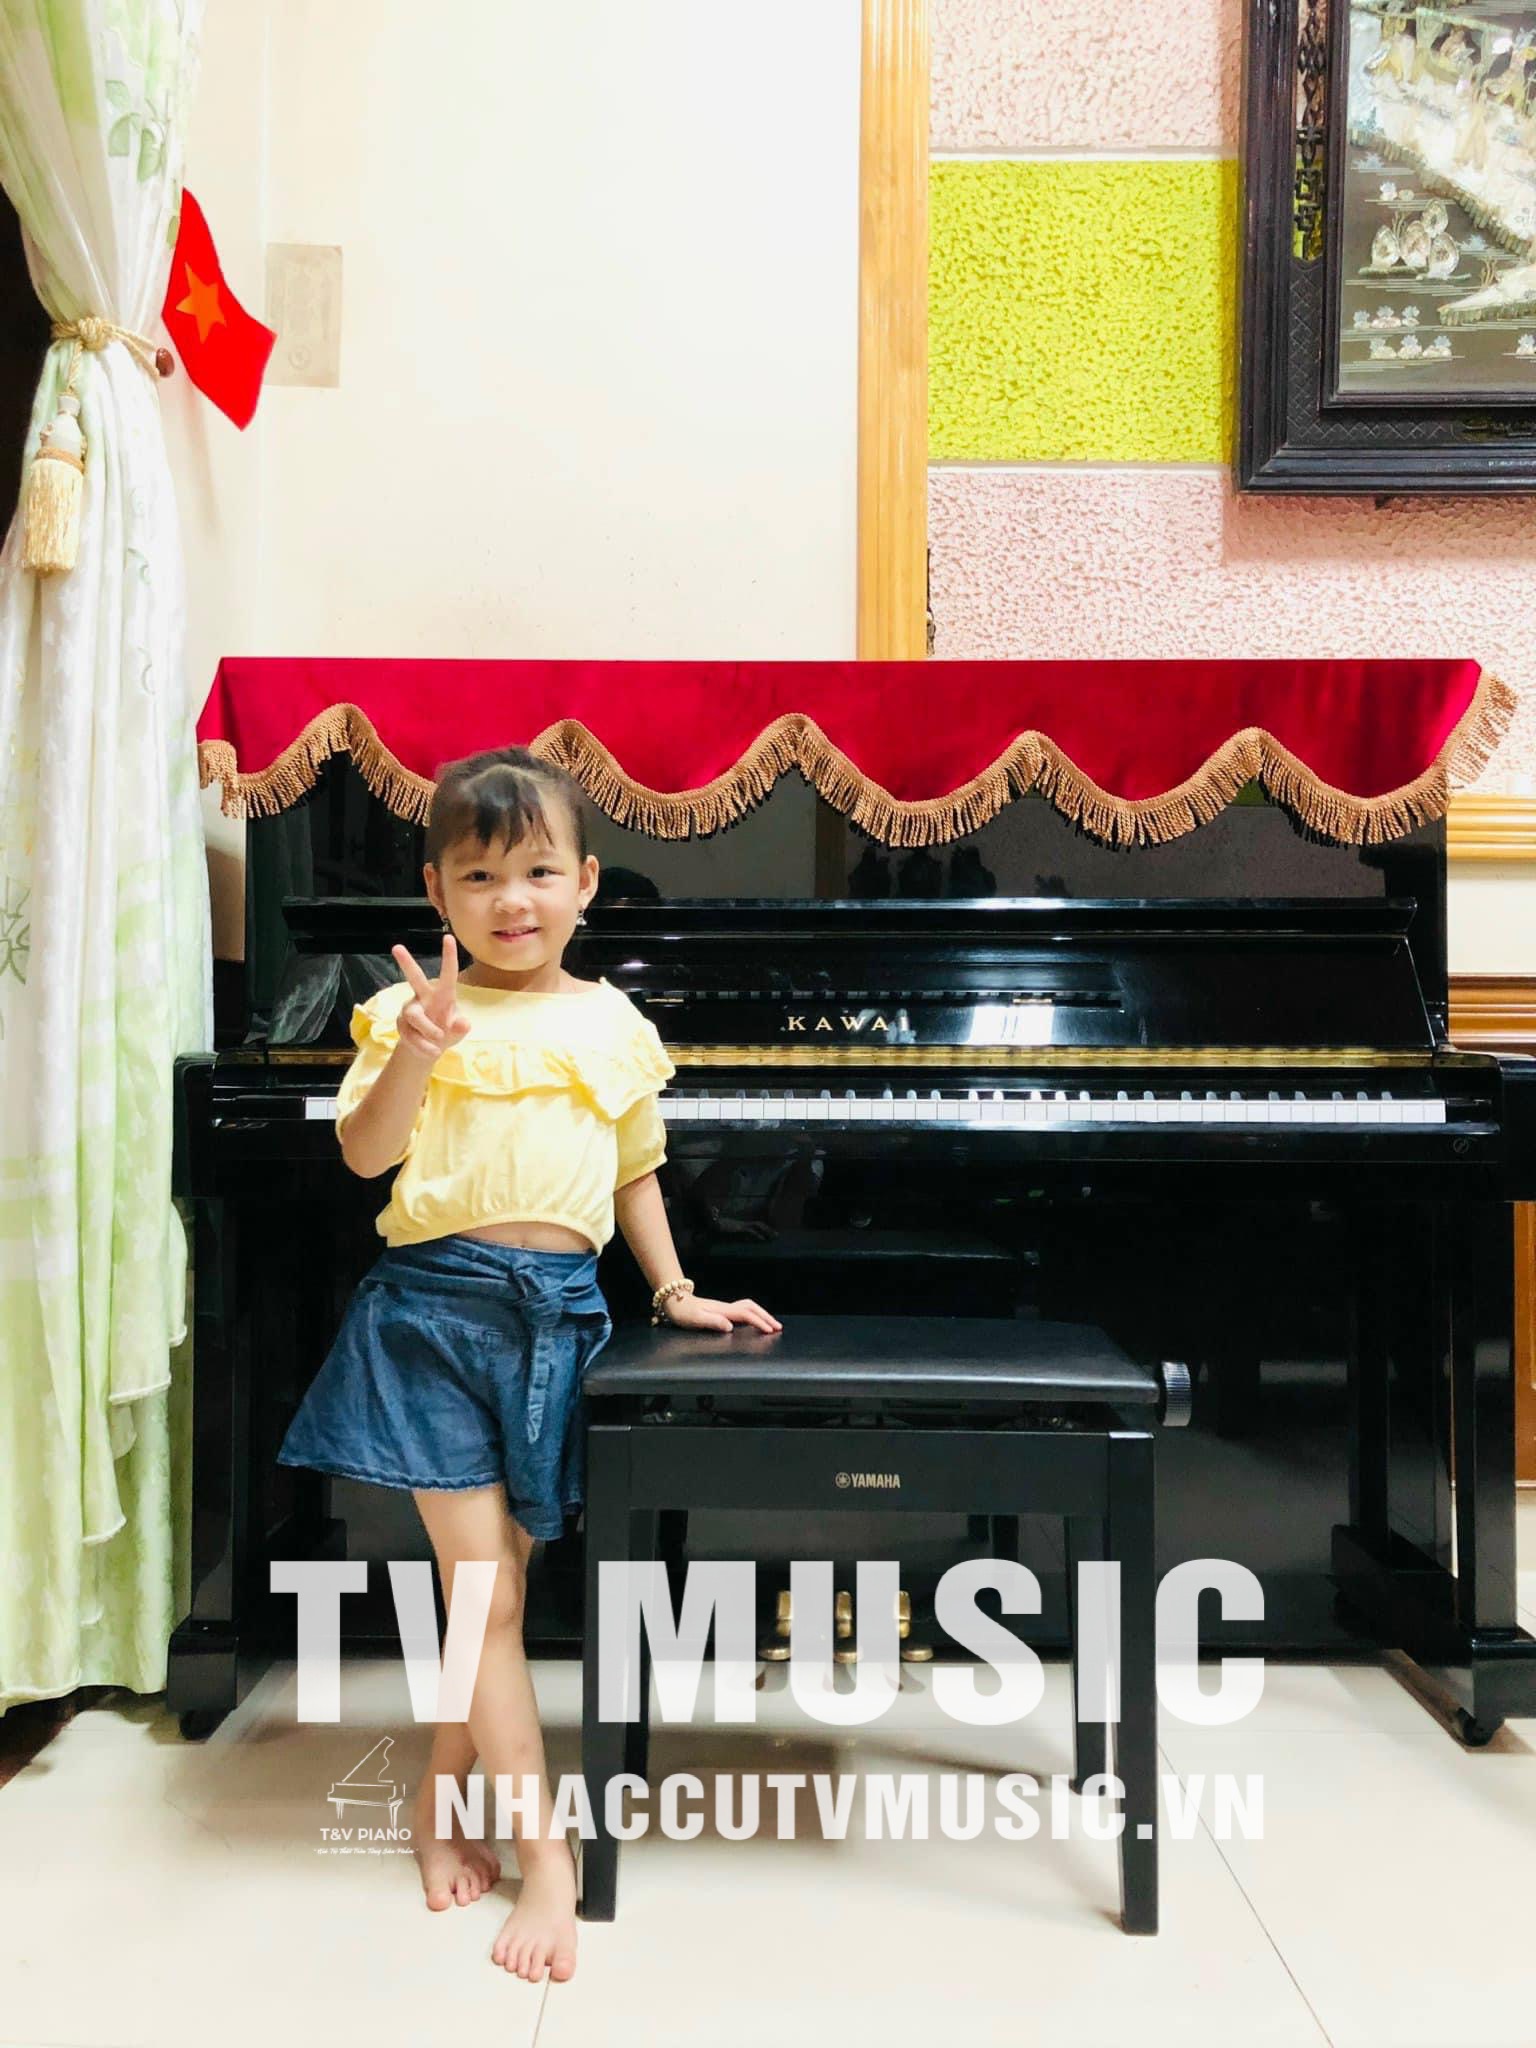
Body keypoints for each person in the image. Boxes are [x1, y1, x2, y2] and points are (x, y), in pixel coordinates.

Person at [276, 746, 780, 1986]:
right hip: (431, 1313)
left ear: (586, 882)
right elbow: (364, 1155)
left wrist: (675, 1288)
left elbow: (634, 1167)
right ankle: (545, 1852)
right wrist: (418, 1048)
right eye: (481, 875)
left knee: (493, 1594)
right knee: (488, 1598)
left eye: (540, 871)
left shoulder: (612, 1021)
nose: (514, 899)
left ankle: (438, 1793)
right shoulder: (408, 1014)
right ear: (438, 892)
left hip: (559, 1321)